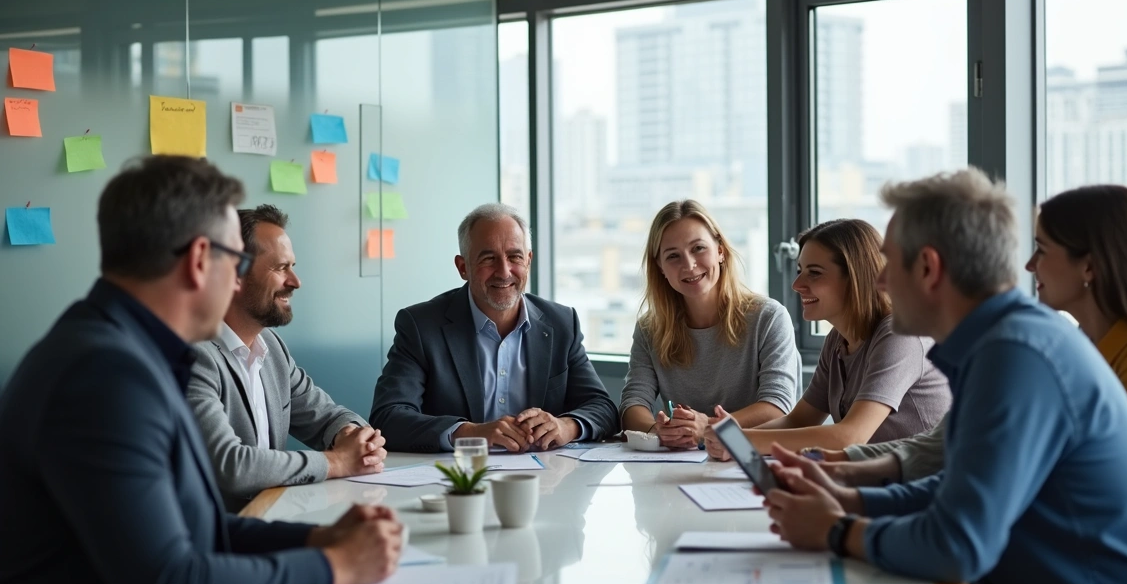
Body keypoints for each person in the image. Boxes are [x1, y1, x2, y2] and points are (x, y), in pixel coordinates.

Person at [762, 169, 1127, 584]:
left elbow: (958, 546)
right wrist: (854, 502)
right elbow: (959, 490)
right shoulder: (1003, 342)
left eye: (889, 262)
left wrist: (836, 530)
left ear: (928, 268)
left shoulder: (1016, 355)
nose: (881, 281)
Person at [0, 157, 402, 584]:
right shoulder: (105, 379)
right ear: (197, 261)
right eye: (234, 262)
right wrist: (336, 567)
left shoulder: (130, 352)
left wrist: (317, 540)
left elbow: (198, 531)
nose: (236, 281)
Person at [814, 186, 1127, 513]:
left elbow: (1043, 492)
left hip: (1097, 579)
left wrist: (855, 514)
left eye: (1042, 248)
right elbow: (949, 449)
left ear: (1088, 267)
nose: (1029, 266)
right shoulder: (1073, 347)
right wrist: (843, 473)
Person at [371, 203, 618, 452]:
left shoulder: (562, 323)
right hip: (456, 480)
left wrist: (566, 426)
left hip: (544, 478)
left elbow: (602, 408)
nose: (504, 271)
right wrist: (470, 432)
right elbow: (388, 417)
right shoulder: (421, 326)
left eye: (515, 257)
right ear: (463, 267)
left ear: (528, 261)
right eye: (488, 258)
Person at [188, 204, 388, 512]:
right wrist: (336, 461)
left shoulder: (271, 347)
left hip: (269, 521)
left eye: (292, 266)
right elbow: (231, 465)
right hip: (217, 540)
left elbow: (326, 416)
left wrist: (353, 436)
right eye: (281, 268)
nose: (295, 281)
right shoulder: (194, 354)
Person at [700, 219, 949, 460]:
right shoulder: (837, 340)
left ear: (856, 278)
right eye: (799, 271)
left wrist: (740, 442)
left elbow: (849, 437)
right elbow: (798, 420)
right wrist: (732, 440)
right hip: (881, 482)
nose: (797, 285)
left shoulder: (900, 334)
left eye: (814, 273)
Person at [619, 200, 800, 449]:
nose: (689, 264)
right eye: (673, 256)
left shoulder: (769, 317)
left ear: (720, 250)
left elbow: (777, 407)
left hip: (751, 458)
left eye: (698, 248)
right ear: (660, 267)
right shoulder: (650, 328)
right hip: (680, 465)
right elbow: (633, 404)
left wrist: (708, 428)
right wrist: (658, 430)